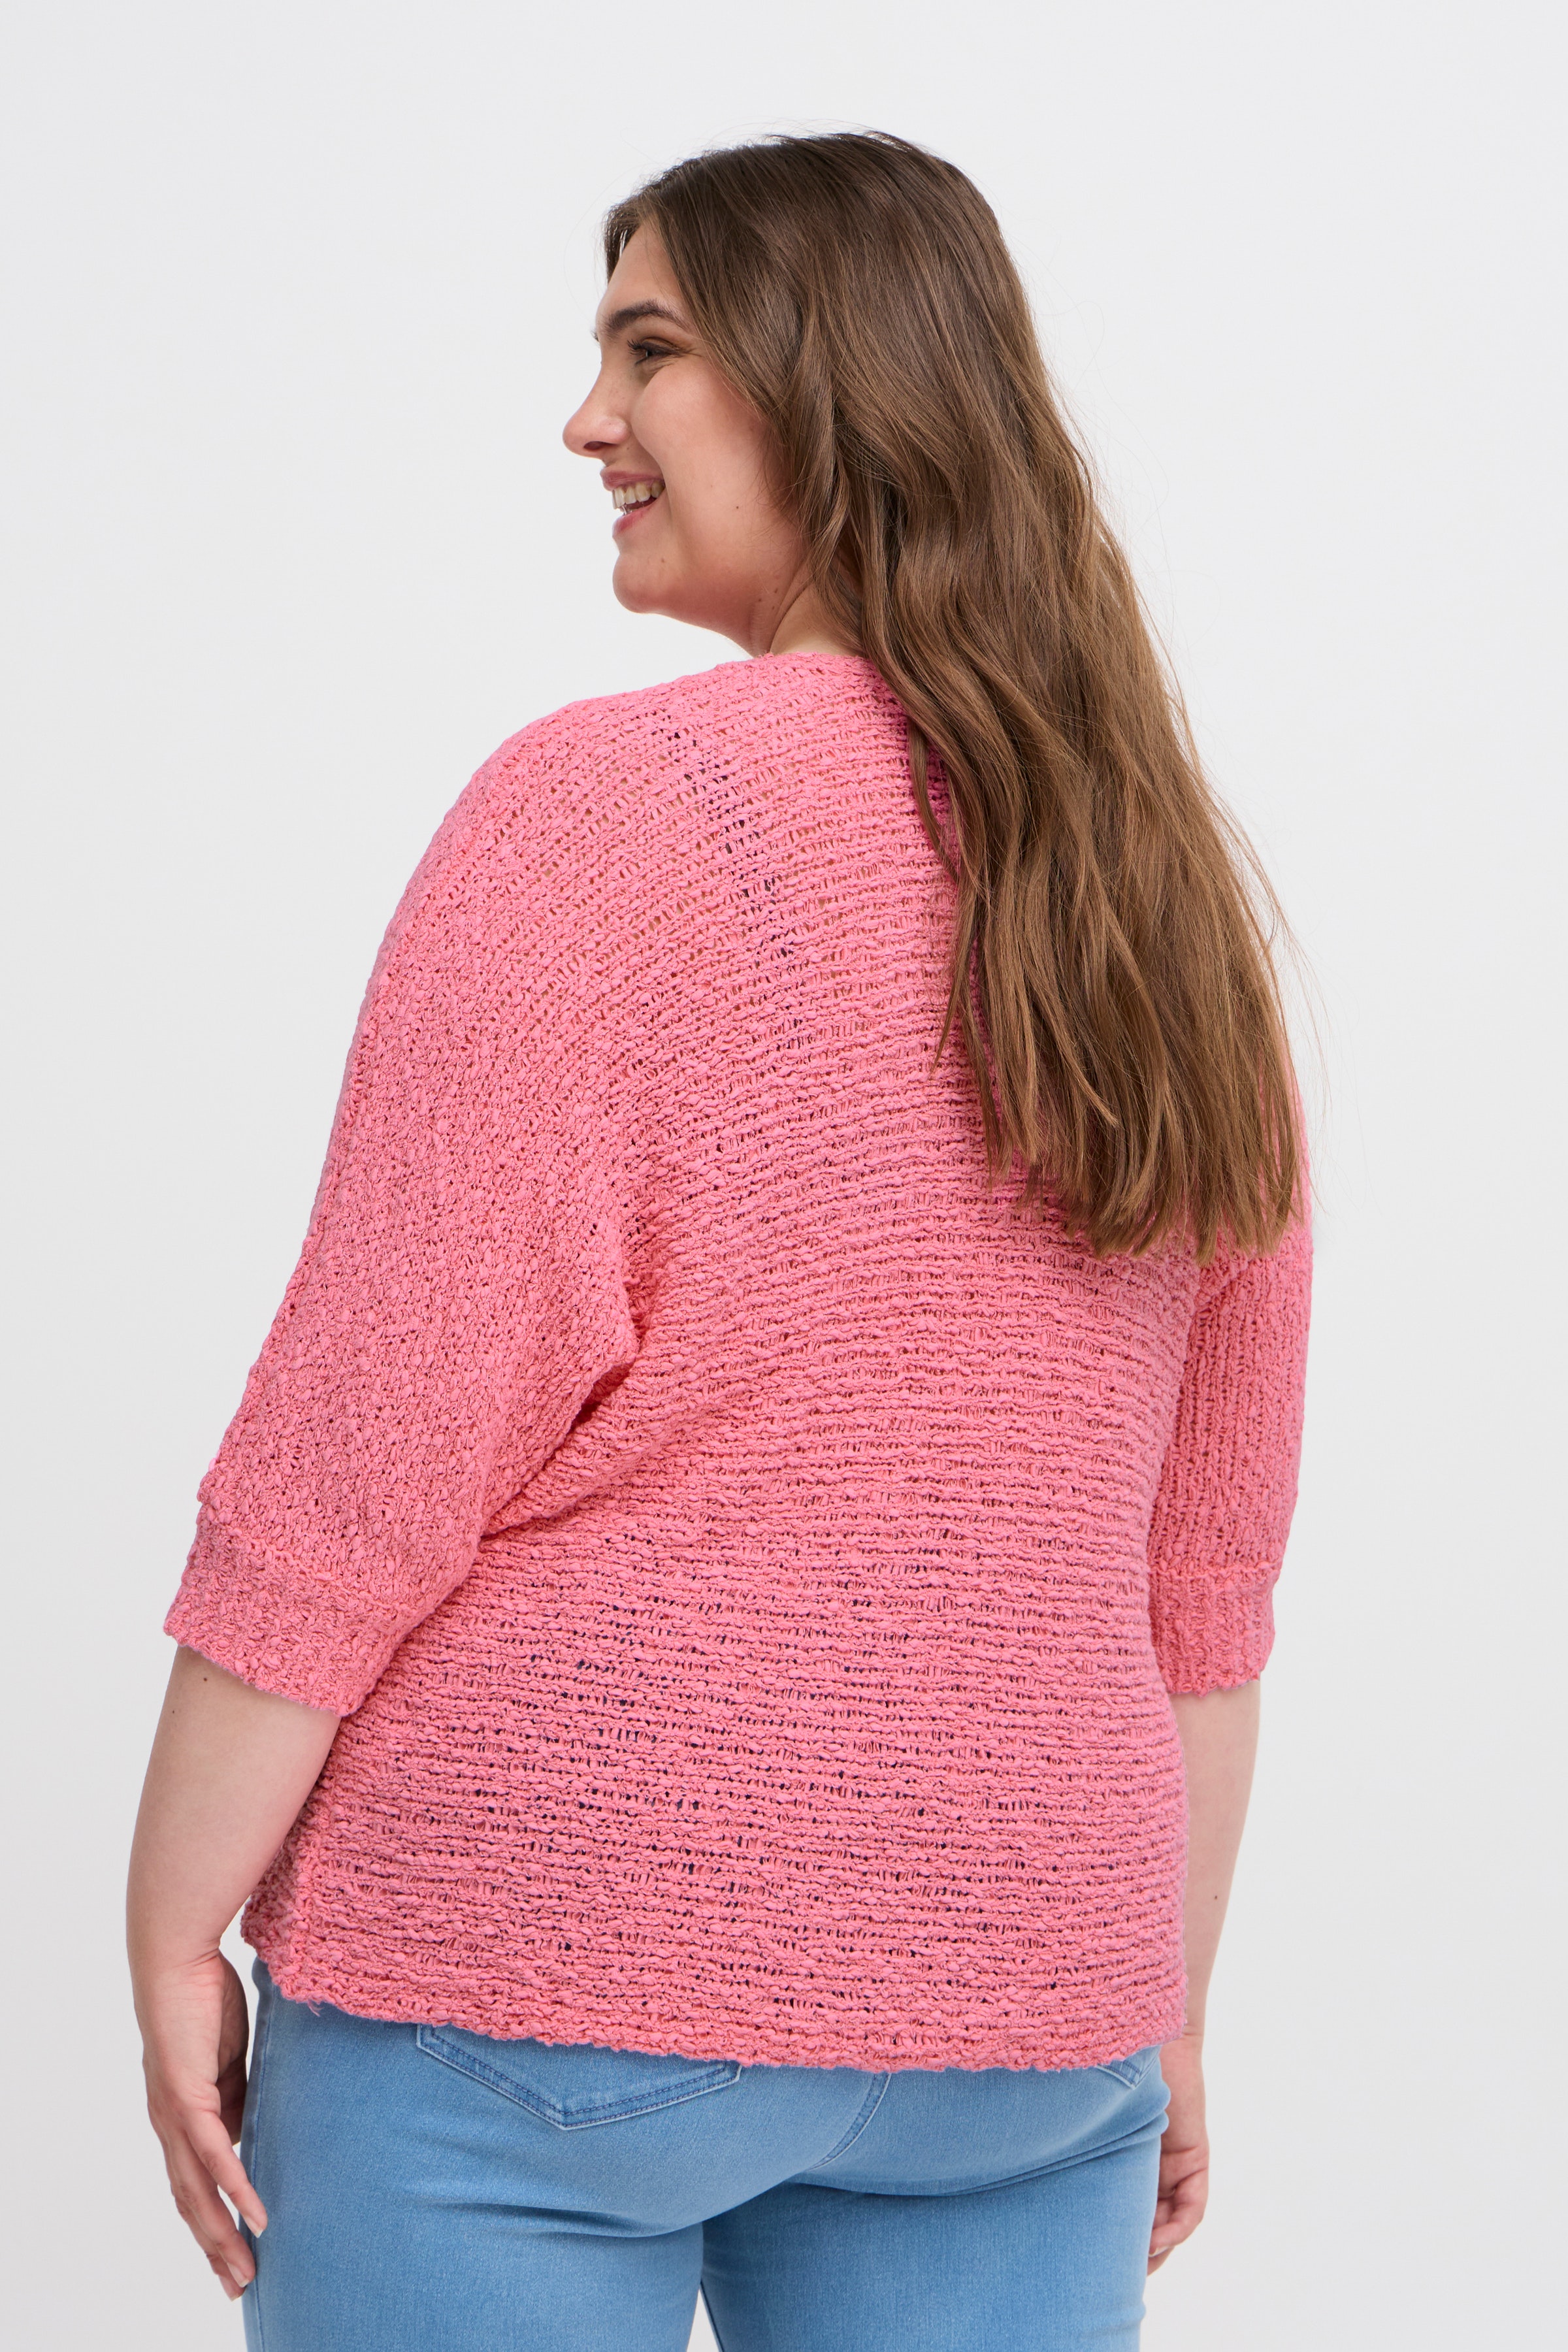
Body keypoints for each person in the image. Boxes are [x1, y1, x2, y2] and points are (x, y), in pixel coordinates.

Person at [127, 130, 1311, 2352]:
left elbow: (366, 1454)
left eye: (648, 349)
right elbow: (1201, 1585)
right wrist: (1162, 2005)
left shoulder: (602, 814)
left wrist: (172, 1916)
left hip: (543, 1972)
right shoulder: (1156, 897)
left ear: (828, 379)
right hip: (1025, 2022)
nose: (588, 418)